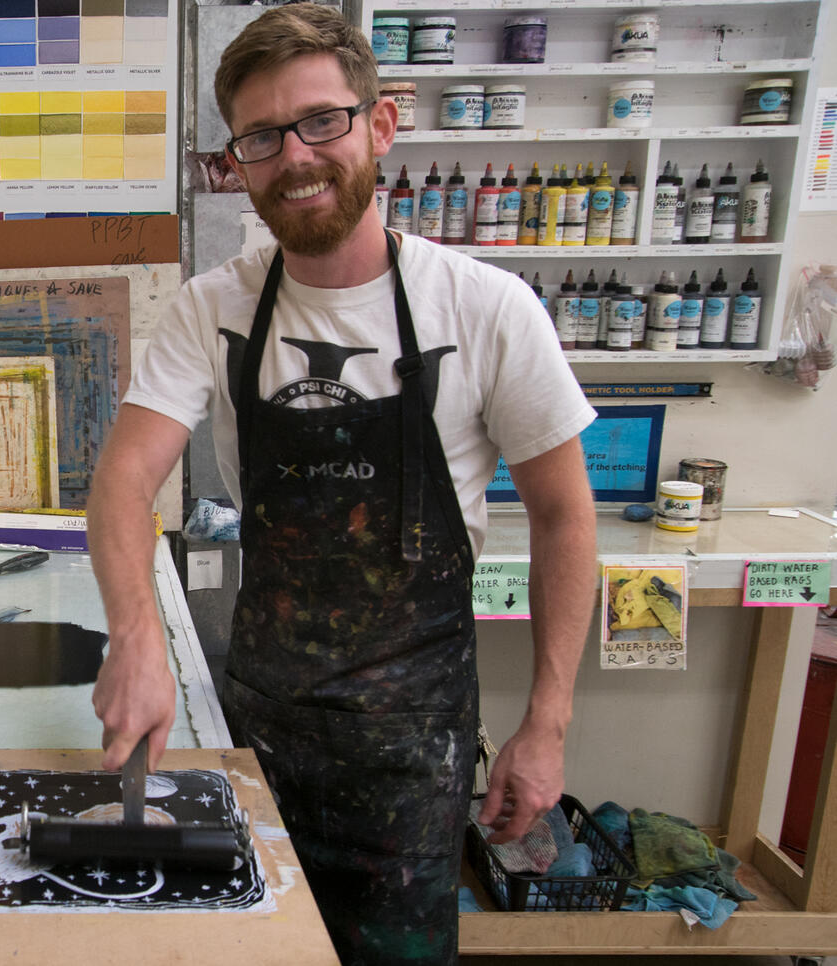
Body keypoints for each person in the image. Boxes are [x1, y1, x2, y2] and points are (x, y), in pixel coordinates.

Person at [85, 6, 598, 962]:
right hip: (262, 728)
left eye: (322, 120)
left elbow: (567, 520)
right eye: (262, 137)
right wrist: (136, 639)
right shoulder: (215, 308)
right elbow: (121, 485)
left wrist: (548, 720)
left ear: (381, 124)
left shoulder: (486, 310)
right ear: (238, 160)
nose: (297, 156)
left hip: (414, 754)